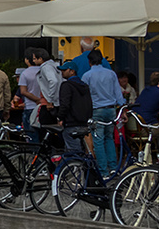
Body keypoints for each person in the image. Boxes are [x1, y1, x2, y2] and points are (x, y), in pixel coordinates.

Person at [82, 48, 125, 178]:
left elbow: (85, 96)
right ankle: (113, 167)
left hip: (96, 110)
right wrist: (122, 108)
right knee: (109, 138)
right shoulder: (111, 74)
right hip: (111, 109)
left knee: (98, 141)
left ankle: (103, 171)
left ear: (90, 62)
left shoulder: (87, 76)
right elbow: (118, 93)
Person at [54, 60, 94, 158]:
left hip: (71, 123)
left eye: (64, 70)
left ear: (72, 71)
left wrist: (60, 117)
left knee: (74, 152)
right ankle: (86, 169)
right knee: (84, 151)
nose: (62, 72)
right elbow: (90, 103)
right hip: (84, 123)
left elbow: (65, 104)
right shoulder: (85, 86)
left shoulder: (66, 86)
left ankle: (77, 171)